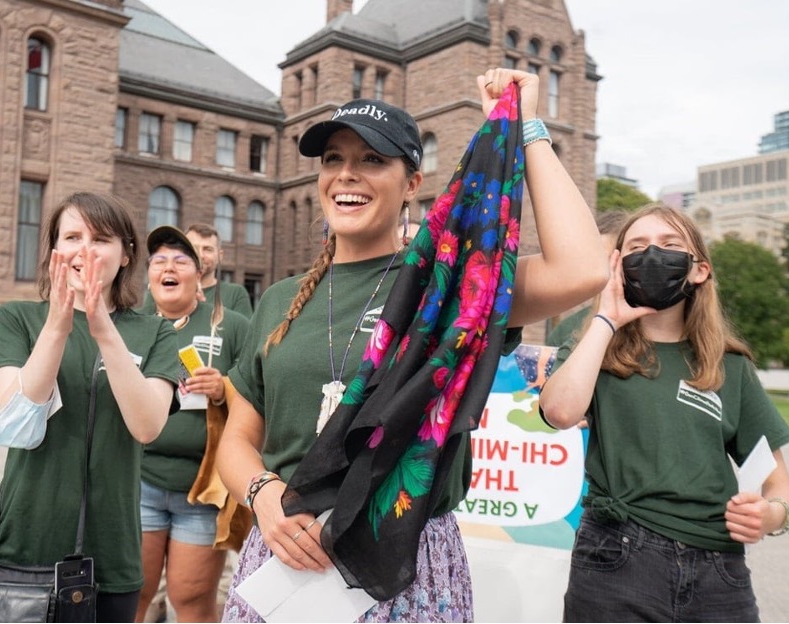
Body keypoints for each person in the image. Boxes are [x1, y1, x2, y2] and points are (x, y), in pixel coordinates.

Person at [217, 67, 609, 622]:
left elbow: (583, 267)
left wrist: (527, 126)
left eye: (372, 160)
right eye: (333, 159)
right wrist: (263, 495)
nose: (346, 175)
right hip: (285, 559)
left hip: (402, 563)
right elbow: (238, 438)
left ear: (412, 183)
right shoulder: (281, 301)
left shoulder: (453, 287)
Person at [539, 203, 789, 622]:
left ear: (699, 269)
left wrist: (769, 515)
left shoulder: (730, 366)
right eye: (637, 247)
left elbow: (781, 488)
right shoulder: (594, 341)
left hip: (719, 570)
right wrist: (607, 317)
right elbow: (559, 410)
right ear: (619, 265)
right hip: (617, 557)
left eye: (669, 245)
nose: (653, 255)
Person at [0, 192, 181, 622]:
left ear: (125, 255)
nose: (84, 249)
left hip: (110, 556)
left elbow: (147, 426)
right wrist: (58, 325)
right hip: (17, 546)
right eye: (71, 236)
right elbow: (15, 422)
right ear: (54, 252)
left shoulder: (154, 332)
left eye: (101, 238)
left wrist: (103, 328)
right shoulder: (18, 318)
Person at [135, 226, 250, 622]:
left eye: (181, 261)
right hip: (137, 485)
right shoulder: (128, 325)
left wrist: (223, 388)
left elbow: (261, 392)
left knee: (192, 600)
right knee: (132, 596)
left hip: (201, 493)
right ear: (148, 274)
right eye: (159, 261)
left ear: (199, 273)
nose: (169, 267)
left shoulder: (231, 325)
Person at [546, 209, 630, 347]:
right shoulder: (566, 330)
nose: (604, 270)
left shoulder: (659, 323)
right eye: (596, 260)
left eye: (614, 259)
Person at [186, 223, 254, 318]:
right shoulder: (167, 291)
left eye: (207, 249)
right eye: (194, 248)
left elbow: (244, 332)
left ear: (220, 255)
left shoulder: (235, 294)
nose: (200, 255)